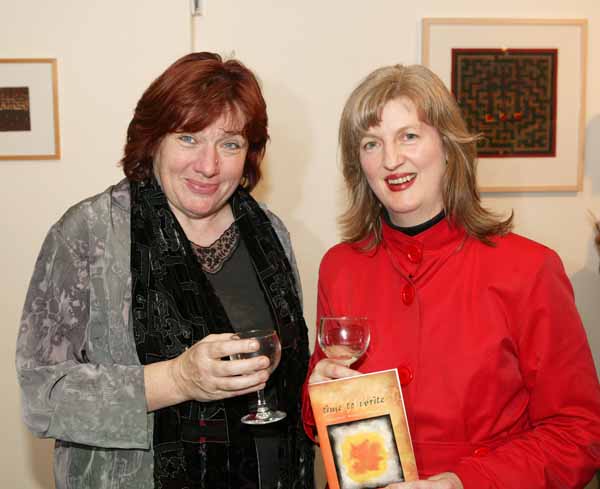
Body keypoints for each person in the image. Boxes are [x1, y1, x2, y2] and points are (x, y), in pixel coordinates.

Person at [17, 52, 313, 489]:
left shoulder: (270, 233)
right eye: (189, 138)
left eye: (229, 143)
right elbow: (42, 395)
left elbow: (288, 373)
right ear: (153, 138)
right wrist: (177, 379)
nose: (208, 165)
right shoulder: (88, 233)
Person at [302, 64, 600, 489]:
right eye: (371, 143)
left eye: (409, 136)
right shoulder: (340, 267)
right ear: (359, 165)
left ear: (447, 146)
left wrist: (463, 482)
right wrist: (318, 394)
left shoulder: (529, 268)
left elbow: (578, 433)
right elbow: (328, 409)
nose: (391, 160)